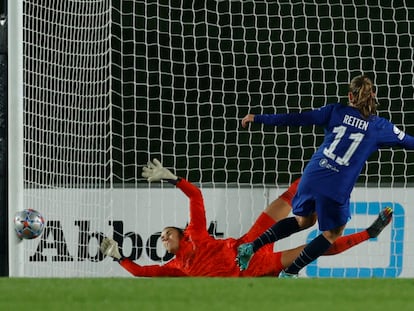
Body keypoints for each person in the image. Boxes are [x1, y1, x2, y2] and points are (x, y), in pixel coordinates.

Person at [237, 74, 413, 277]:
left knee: (304, 221)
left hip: (312, 176)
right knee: (332, 233)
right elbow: (409, 142)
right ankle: (291, 272)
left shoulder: (334, 111)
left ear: (350, 95)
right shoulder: (381, 127)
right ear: (374, 96)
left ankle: (250, 247)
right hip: (336, 186)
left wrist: (258, 118)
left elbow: (297, 118)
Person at [101, 159, 393, 277]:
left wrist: (173, 178)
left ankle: (321, 173)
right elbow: (140, 272)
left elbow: (196, 197)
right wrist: (118, 256)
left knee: (283, 201)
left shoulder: (197, 235)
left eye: (167, 232)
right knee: (319, 248)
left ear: (182, 232)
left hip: (247, 244)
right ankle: (370, 232)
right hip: (255, 269)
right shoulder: (176, 269)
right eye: (162, 237)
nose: (163, 237)